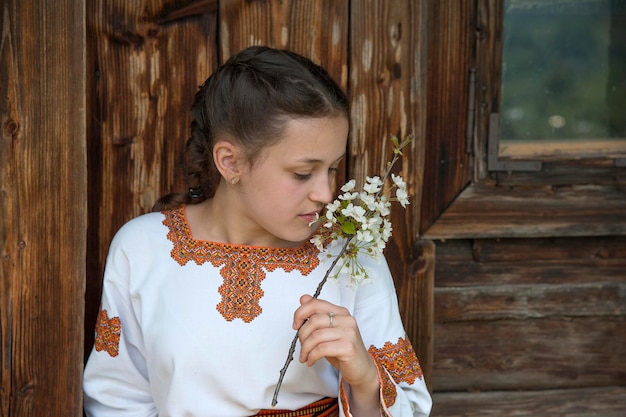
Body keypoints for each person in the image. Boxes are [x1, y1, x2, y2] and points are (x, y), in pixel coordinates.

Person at [83, 45, 432, 417]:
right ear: (230, 162)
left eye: (332, 168)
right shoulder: (143, 249)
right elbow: (116, 401)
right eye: (302, 173)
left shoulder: (350, 257)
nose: (326, 194)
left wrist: (364, 379)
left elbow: (410, 406)